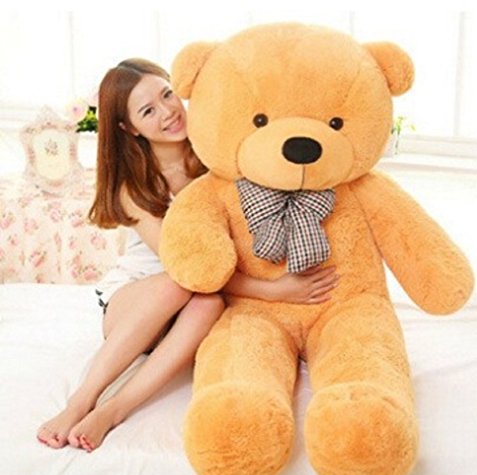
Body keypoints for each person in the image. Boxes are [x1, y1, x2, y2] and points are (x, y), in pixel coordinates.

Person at [36, 58, 339, 453]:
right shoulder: (134, 186)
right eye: (148, 111)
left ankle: (114, 409)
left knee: (208, 302)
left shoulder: (215, 157)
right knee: (178, 285)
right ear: (129, 128)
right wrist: (275, 290)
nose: (168, 112)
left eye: (167, 95)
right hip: (139, 301)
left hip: (200, 300)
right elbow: (188, 267)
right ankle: (80, 401)